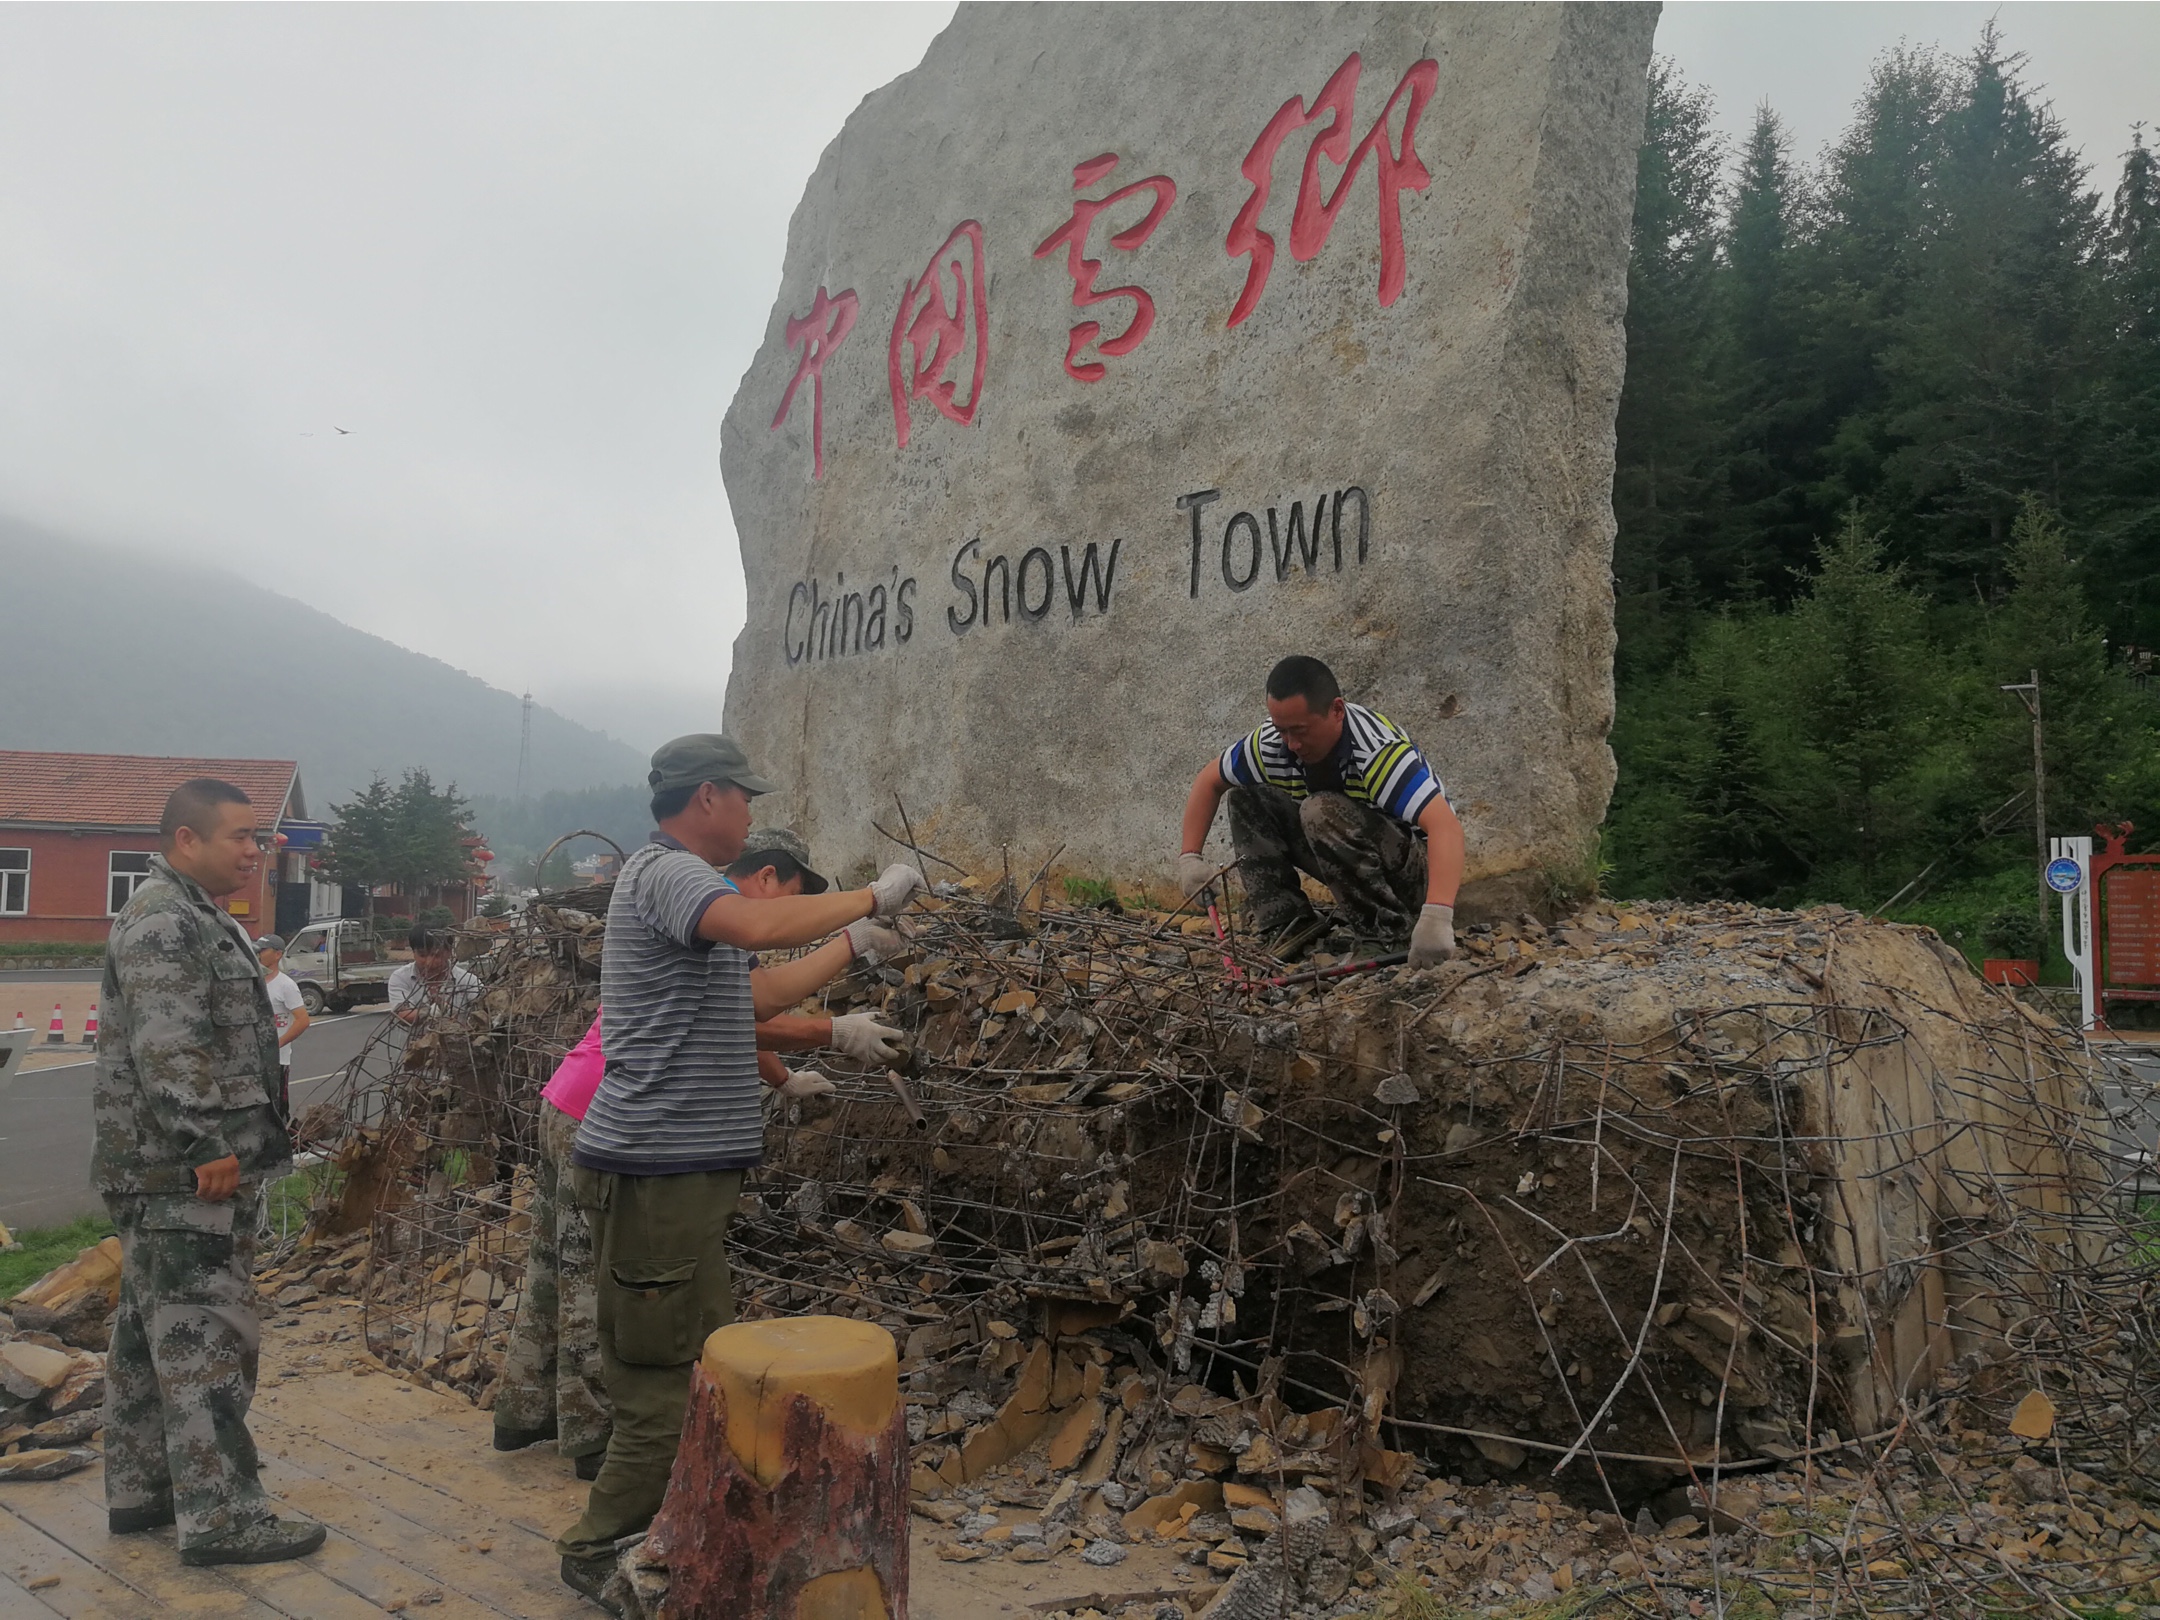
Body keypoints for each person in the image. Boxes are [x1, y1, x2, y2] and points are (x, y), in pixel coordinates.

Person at [554, 737, 924, 1608]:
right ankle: (600, 1546)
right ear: (709, 796)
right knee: (663, 1381)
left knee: (702, 1364)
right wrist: (870, 895)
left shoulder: (690, 896)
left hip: (679, 1176)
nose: (752, 816)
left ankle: (670, 1536)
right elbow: (757, 929)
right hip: (654, 1175)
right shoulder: (670, 874)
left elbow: (754, 996)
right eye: (746, 800)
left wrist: (854, 946)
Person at [494, 829, 899, 1480]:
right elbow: (757, 1009)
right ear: (767, 879)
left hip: (568, 1100)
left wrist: (782, 1078)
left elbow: (726, 1017)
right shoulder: (708, 910)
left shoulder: (694, 915)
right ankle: (602, 1441)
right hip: (604, 1118)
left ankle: (526, 1410)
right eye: (794, 896)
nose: (789, 917)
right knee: (597, 1281)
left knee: (553, 1265)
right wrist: (834, 1024)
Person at [94, 778, 324, 1566]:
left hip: (167, 1173)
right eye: (242, 837)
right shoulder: (165, 920)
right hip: (182, 1174)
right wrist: (204, 1144)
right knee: (206, 1339)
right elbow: (169, 1044)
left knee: (148, 1335)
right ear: (187, 840)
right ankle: (222, 1516)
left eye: (258, 838)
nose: (256, 852)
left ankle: (144, 1490)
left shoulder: (195, 912)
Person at [1179, 654, 1466, 964]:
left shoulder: (1376, 751)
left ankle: (1386, 933)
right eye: (1282, 730)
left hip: (1416, 874)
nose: (1291, 744)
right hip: (1356, 860)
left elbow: (1445, 827)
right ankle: (1287, 922)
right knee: (1246, 798)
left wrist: (1437, 916)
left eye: (1300, 731)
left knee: (1319, 810)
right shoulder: (1272, 744)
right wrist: (1189, 858)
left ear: (1337, 710)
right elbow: (1210, 780)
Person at [254, 934, 310, 1125]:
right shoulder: (253, 984)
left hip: (276, 1062)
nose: (258, 954)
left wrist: (277, 1044)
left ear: (277, 954)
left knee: (276, 1110)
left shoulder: (286, 985)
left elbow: (302, 1020)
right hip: (252, 1060)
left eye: (263, 950)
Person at [387, 925, 483, 1023]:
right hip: (419, 1038)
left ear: (449, 952)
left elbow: (484, 1010)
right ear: (413, 952)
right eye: (422, 955)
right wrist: (433, 1012)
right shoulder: (401, 977)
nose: (429, 962)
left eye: (436, 955)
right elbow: (401, 1013)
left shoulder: (467, 980)